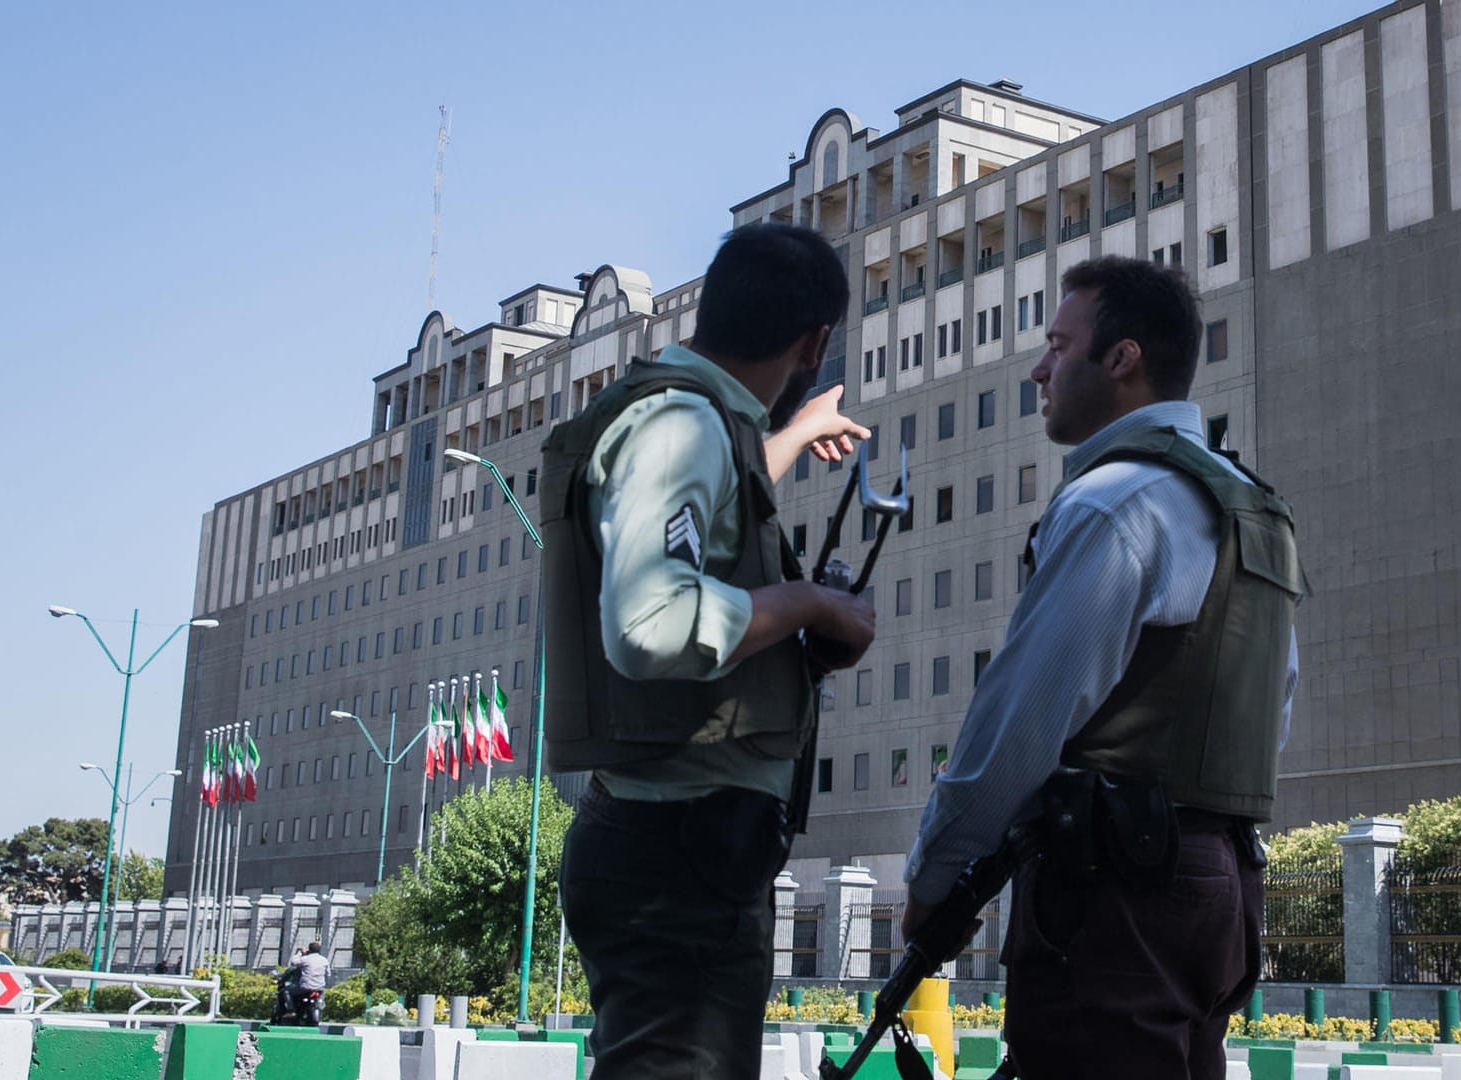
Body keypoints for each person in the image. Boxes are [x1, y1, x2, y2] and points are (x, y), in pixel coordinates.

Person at [903, 256, 1305, 1079]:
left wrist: (937, 874)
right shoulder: (1251, 505)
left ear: (1121, 358)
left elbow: (1021, 718)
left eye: (1058, 344)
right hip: (1222, 880)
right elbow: (1276, 702)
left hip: (1115, 887)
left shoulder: (1111, 502)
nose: (1038, 369)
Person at [541, 222, 877, 1079]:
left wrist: (796, 436)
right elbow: (652, 620)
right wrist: (805, 602)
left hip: (684, 849)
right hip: (676, 855)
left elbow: (707, 508)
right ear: (816, 341)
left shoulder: (695, 422)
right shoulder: (680, 424)